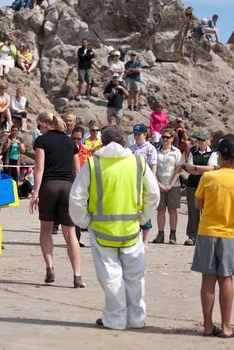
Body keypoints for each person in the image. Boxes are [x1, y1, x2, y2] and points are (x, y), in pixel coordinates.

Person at [69, 125, 160, 329]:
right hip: (130, 228)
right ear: (124, 141)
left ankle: (116, 318)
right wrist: (142, 217)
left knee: (110, 276)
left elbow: (77, 197)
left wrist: (84, 221)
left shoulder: (93, 164)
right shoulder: (138, 162)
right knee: (135, 276)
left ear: (102, 142)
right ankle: (136, 318)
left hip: (102, 230)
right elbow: (153, 193)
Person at [192, 137, 234, 338]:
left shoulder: (209, 178)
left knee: (208, 279)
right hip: (229, 234)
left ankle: (208, 325)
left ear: (220, 157)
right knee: (226, 279)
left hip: (207, 231)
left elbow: (198, 204)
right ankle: (226, 326)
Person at [29, 112, 85, 287]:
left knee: (46, 230)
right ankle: (77, 275)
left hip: (49, 186)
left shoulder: (42, 140)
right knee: (70, 233)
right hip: (68, 187)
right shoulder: (70, 142)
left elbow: (39, 168)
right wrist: (80, 194)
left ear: (45, 124)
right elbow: (77, 172)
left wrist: (35, 193)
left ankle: (50, 267)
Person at [183, 131, 218, 246]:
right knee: (193, 211)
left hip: (207, 185)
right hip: (193, 184)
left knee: (206, 212)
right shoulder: (193, 151)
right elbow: (189, 168)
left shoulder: (212, 153)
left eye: (202, 140)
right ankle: (192, 236)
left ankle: (206, 236)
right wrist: (201, 169)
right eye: (198, 140)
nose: (200, 142)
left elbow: (210, 168)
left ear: (207, 141)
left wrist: (196, 168)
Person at [152, 127, 183, 244]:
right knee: (160, 210)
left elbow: (178, 169)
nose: (165, 139)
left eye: (167, 137)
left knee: (172, 210)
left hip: (173, 185)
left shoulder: (177, 152)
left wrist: (170, 185)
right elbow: (153, 169)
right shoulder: (156, 151)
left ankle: (173, 235)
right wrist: (159, 184)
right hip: (159, 183)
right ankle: (160, 234)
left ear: (172, 138)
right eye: (163, 137)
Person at [129, 124, 157, 247]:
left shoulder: (150, 148)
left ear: (145, 134)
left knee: (145, 209)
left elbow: (153, 166)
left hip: (145, 182)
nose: (135, 136)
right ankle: (135, 239)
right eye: (134, 134)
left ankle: (145, 242)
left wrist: (152, 182)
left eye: (138, 134)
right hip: (132, 182)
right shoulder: (130, 148)